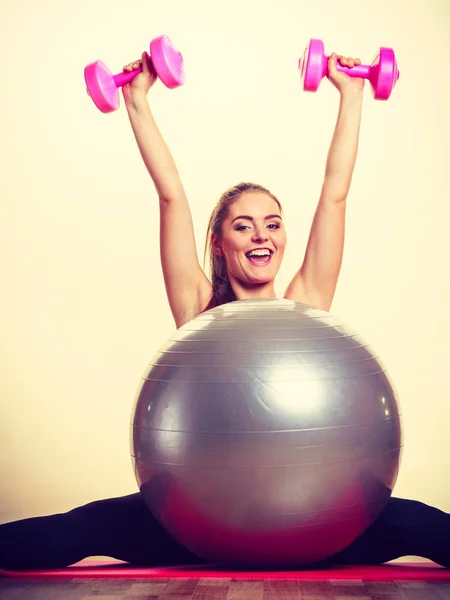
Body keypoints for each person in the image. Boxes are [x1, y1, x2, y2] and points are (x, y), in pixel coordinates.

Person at [1, 49, 449, 572]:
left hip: (320, 520)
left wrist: (352, 94)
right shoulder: (198, 307)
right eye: (244, 225)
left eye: (274, 223)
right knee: (79, 528)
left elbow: (335, 195)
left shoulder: (306, 304)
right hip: (197, 526)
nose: (262, 235)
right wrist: (136, 97)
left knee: (423, 524)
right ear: (218, 243)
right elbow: (171, 197)